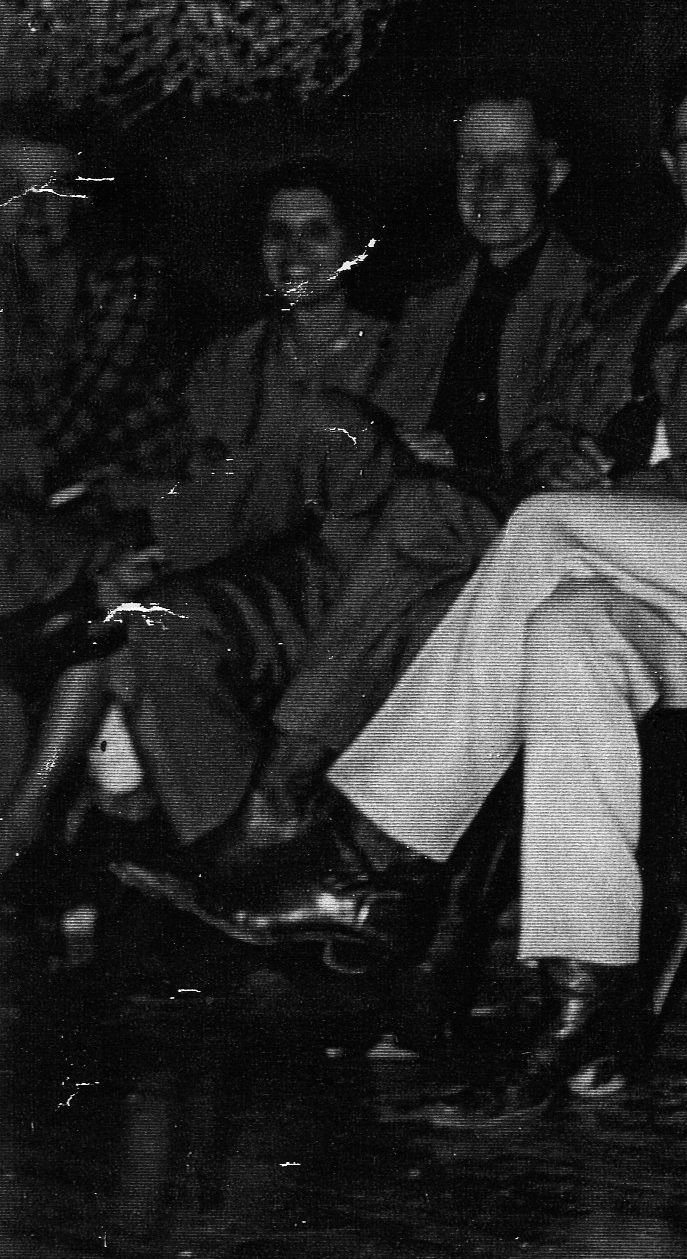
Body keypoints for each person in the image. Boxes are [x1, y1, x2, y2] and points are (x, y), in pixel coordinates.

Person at [144, 49, 687, 1124]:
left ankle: (359, 858)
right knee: (566, 632)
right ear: (668, 163)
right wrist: (567, 455)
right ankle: (582, 1004)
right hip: (672, 571)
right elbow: (566, 419)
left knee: (533, 533)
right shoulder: (648, 285)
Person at [215, 80, 603, 855]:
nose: (488, 186)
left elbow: (574, 440)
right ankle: (351, 875)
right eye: (472, 165)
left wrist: (464, 464)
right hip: (415, 552)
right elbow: (379, 438)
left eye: (510, 163)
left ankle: (281, 786)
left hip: (516, 535)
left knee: (417, 509)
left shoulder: (595, 296)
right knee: (421, 609)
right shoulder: (429, 305)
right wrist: (397, 447)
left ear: (553, 173)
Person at [0, 165, 387, 882]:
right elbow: (191, 482)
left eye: (316, 232)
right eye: (276, 234)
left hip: (334, 586)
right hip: (219, 571)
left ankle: (77, 816)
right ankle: (149, 833)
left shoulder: (393, 354)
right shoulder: (231, 360)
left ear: (355, 246)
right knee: (97, 599)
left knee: (119, 607)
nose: (293, 252)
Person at [0, 106, 188, 625]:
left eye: (54, 189)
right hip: (36, 507)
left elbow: (71, 426)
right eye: (12, 188)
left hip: (129, 509)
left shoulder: (129, 279)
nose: (32, 210)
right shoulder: (7, 287)